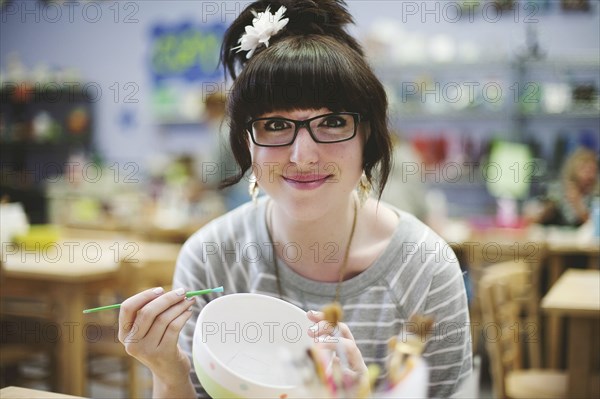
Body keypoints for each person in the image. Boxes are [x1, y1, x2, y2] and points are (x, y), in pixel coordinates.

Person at [117, 1, 472, 398]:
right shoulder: (209, 257)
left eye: (333, 122)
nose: (303, 156)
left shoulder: (427, 270)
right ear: (244, 143)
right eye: (275, 125)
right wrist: (168, 373)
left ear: (368, 137)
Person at [530, 147, 599, 226]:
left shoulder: (595, 195)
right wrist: (547, 209)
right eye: (584, 169)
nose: (588, 174)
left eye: (592, 170)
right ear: (574, 170)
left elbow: (595, 226)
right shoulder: (560, 189)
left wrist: (577, 205)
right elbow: (539, 219)